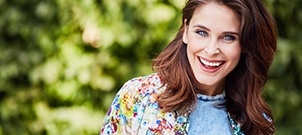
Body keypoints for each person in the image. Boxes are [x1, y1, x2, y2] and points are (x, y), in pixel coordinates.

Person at [100, 0, 277, 134]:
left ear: (245, 44)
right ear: (185, 30)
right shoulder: (138, 97)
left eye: (228, 37)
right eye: (202, 33)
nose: (211, 49)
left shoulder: (256, 123)